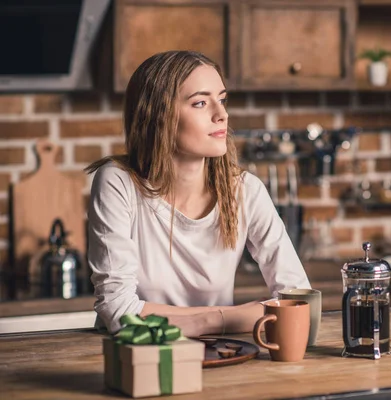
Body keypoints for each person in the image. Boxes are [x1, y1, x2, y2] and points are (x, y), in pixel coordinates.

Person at [85, 50, 311, 336]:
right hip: (137, 357)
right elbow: (119, 312)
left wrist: (186, 318)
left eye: (223, 99)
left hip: (225, 354)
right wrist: (219, 319)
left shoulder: (245, 190)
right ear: (158, 115)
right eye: (201, 103)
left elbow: (298, 300)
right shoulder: (118, 183)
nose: (222, 114)